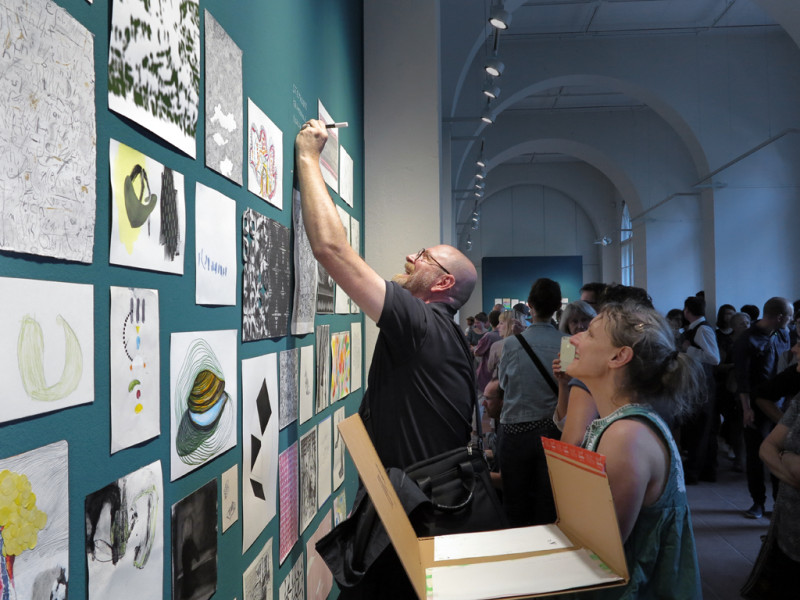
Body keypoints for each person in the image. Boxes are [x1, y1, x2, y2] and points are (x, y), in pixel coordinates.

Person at [296, 120, 478, 597]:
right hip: (417, 520)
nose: (409, 257)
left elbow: (331, 249)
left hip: (408, 527)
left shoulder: (421, 324)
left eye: (422, 256)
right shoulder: (446, 337)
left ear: (441, 285)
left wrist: (308, 158)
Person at [560, 301, 704, 599]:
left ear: (619, 356)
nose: (574, 338)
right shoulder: (622, 425)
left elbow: (598, 554)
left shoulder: (625, 436)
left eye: (588, 334)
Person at [497, 278, 567, 526]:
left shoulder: (512, 344)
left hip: (516, 428)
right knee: (549, 503)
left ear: (530, 305)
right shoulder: (566, 343)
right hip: (554, 430)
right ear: (558, 306)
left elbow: (504, 385)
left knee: (516, 502)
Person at [733, 297, 794, 518]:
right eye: (789, 316)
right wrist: (746, 409)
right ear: (779, 317)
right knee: (757, 453)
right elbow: (742, 379)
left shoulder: (782, 333)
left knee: (780, 452)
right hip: (754, 404)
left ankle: (779, 504)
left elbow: (786, 371)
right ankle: (757, 502)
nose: (791, 320)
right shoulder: (747, 340)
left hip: (778, 403)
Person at [741, 373, 800, 598]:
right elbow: (767, 448)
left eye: (799, 341)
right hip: (786, 531)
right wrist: (790, 459)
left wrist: (783, 455)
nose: (794, 348)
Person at [679, 295, 721, 484]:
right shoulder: (696, 329)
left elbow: (714, 358)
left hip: (703, 386)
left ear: (686, 311)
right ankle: (703, 470)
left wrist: (688, 349)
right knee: (700, 429)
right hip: (697, 385)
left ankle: (696, 471)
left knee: (701, 429)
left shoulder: (703, 330)